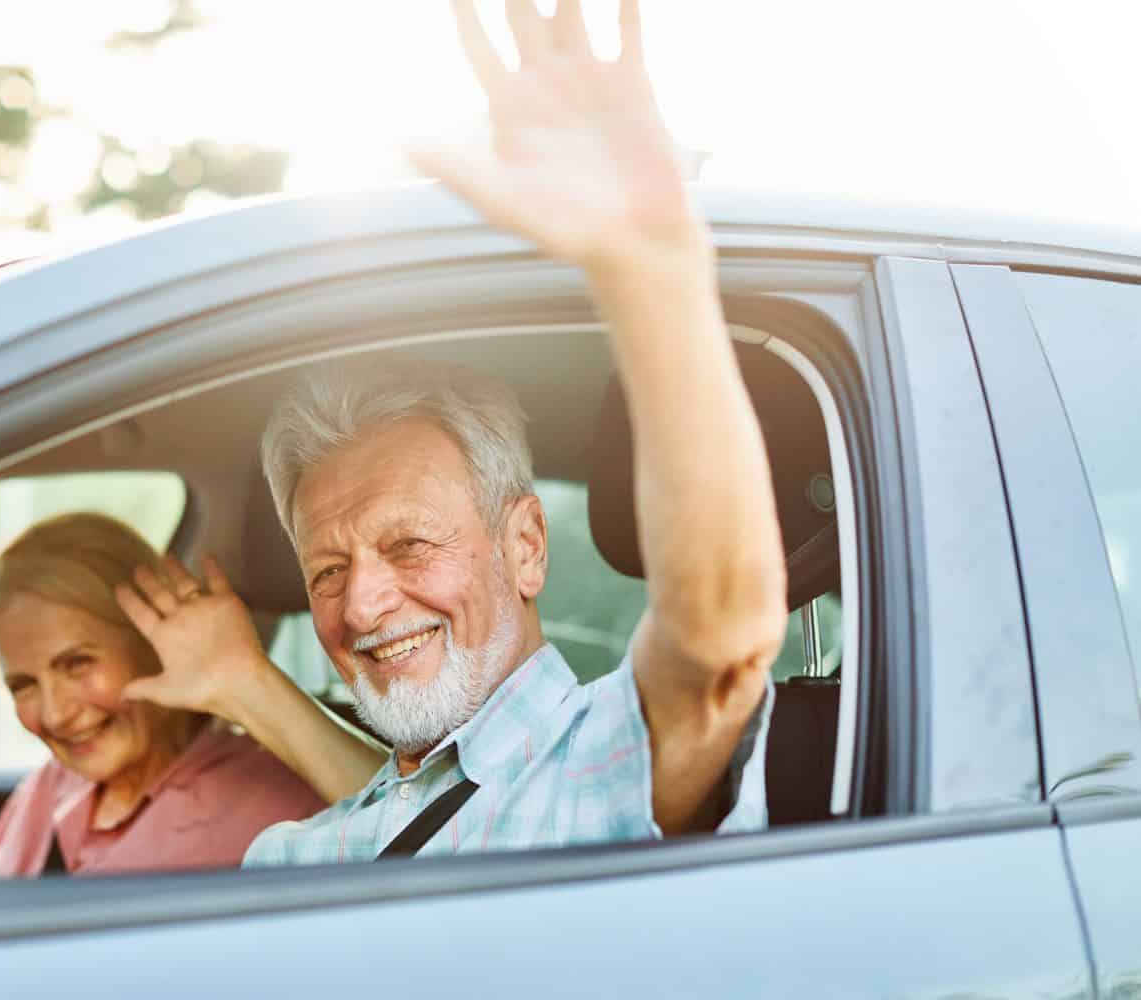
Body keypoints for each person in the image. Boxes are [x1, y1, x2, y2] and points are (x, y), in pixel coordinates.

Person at [115, 0, 787, 864]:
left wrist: (650, 264)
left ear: (526, 546)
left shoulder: (593, 768)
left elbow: (716, 639)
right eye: (326, 570)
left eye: (409, 545)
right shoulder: (292, 856)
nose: (361, 603)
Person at [0, 512, 324, 878]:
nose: (55, 714)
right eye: (23, 685)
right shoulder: (49, 784)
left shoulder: (275, 799)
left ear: (155, 644)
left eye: (77, 664)